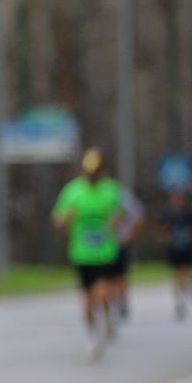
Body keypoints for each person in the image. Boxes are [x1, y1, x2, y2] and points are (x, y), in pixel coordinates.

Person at [52, 148, 126, 361]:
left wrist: (116, 223)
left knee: (102, 292)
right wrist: (67, 219)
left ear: (102, 171)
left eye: (96, 172)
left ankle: (107, 317)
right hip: (82, 253)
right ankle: (94, 335)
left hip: (105, 252)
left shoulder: (111, 191)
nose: (92, 176)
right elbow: (58, 220)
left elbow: (123, 215)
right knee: (87, 302)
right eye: (88, 172)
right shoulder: (73, 192)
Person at [155, 189, 192, 321]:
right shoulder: (167, 214)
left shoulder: (189, 214)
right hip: (174, 249)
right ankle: (179, 301)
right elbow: (161, 230)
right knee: (177, 275)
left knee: (188, 271)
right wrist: (164, 237)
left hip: (188, 248)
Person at [111, 183, 145, 321]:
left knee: (121, 275)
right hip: (104, 245)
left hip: (121, 243)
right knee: (110, 277)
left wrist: (131, 235)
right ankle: (113, 301)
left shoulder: (122, 195)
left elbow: (138, 217)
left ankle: (122, 301)